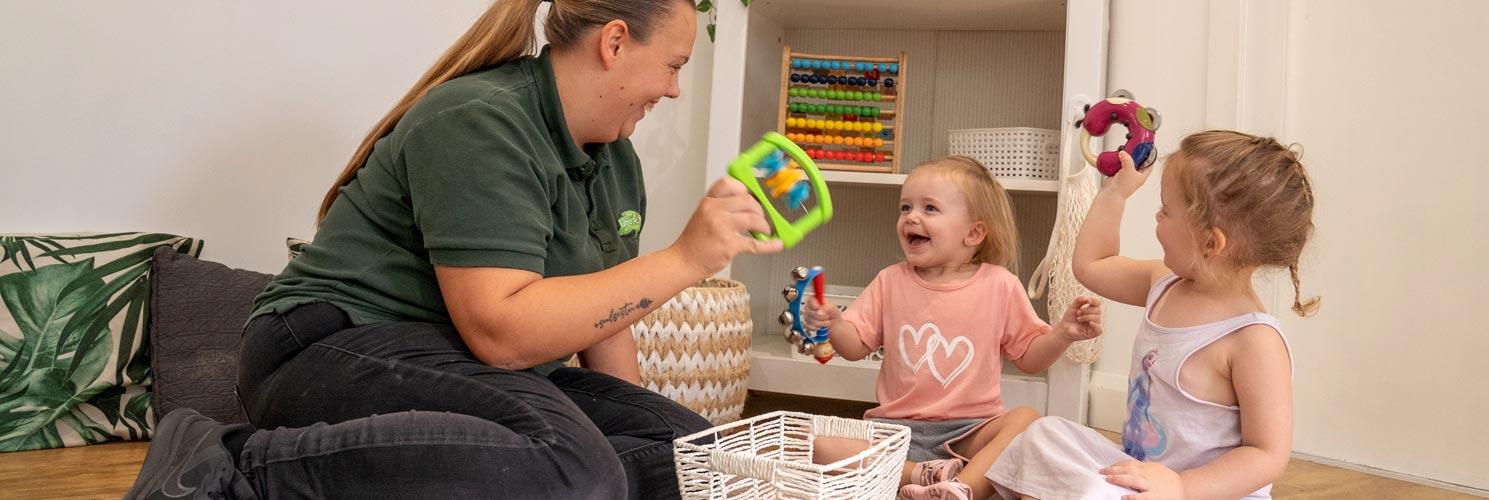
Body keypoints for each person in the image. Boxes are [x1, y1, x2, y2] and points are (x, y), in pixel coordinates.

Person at [124, 1, 782, 499]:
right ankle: (227, 468)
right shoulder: (479, 120)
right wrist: (686, 259)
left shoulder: (616, 160)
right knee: (576, 466)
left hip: (454, 361)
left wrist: (646, 439)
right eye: (674, 66)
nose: (673, 90)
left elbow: (603, 320)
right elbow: (502, 333)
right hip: (327, 347)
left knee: (696, 461)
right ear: (615, 42)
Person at [984, 131, 1319, 500]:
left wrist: (1181, 487)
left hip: (1205, 492)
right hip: (1140, 477)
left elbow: (1266, 454)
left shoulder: (1254, 340)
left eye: (1166, 210)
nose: (1158, 215)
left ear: (1211, 242)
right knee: (1044, 434)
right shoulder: (1163, 282)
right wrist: (1115, 194)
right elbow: (1093, 265)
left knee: (1084, 490)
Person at [804, 156, 1105, 500]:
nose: (911, 217)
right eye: (905, 207)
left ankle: (961, 490)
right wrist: (835, 323)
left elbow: (1029, 359)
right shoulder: (889, 281)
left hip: (970, 432)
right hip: (896, 430)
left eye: (930, 208)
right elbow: (855, 347)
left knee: (1026, 420)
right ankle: (924, 474)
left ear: (973, 232)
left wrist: (1062, 333)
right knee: (820, 446)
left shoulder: (1000, 285)